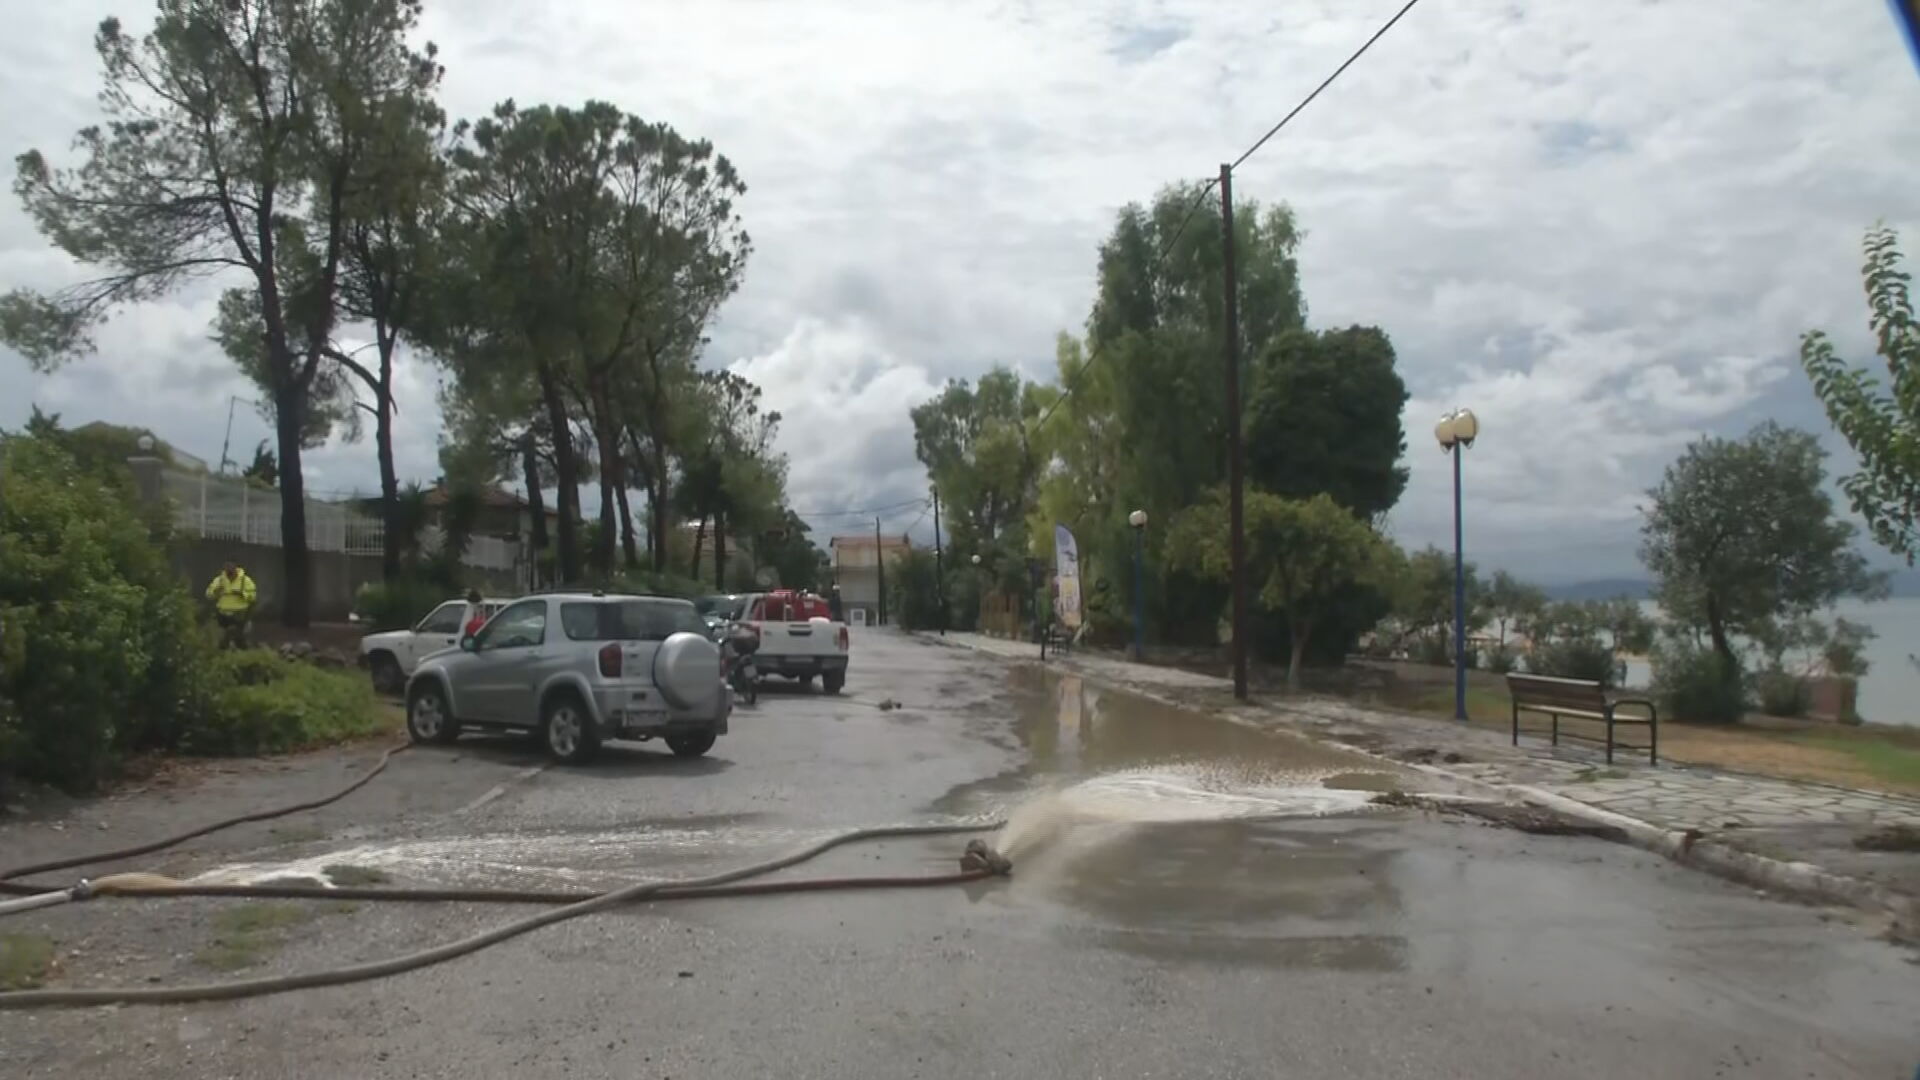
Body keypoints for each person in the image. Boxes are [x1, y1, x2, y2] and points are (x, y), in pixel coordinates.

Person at [204, 561, 257, 649]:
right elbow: (208, 594)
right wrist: (216, 591)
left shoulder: (245, 580)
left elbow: (253, 596)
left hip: (239, 614)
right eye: (227, 569)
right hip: (222, 614)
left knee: (238, 637)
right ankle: (224, 652)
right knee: (223, 638)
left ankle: (241, 651)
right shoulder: (219, 580)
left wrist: (242, 594)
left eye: (231, 570)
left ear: (236, 568)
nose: (229, 573)